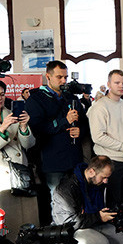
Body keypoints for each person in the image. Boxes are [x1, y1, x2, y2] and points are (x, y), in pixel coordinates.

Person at [25, 60, 86, 198]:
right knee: (58, 199)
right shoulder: (36, 99)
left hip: (74, 158)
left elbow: (84, 123)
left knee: (76, 197)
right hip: (52, 160)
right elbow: (37, 129)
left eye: (66, 77)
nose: (64, 81)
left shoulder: (71, 98)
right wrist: (65, 121)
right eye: (59, 77)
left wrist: (80, 131)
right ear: (48, 77)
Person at [87, 70, 123, 208]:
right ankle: (112, 229)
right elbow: (98, 137)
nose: (121, 86)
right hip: (110, 161)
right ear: (109, 84)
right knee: (112, 201)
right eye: (117, 82)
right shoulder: (100, 107)